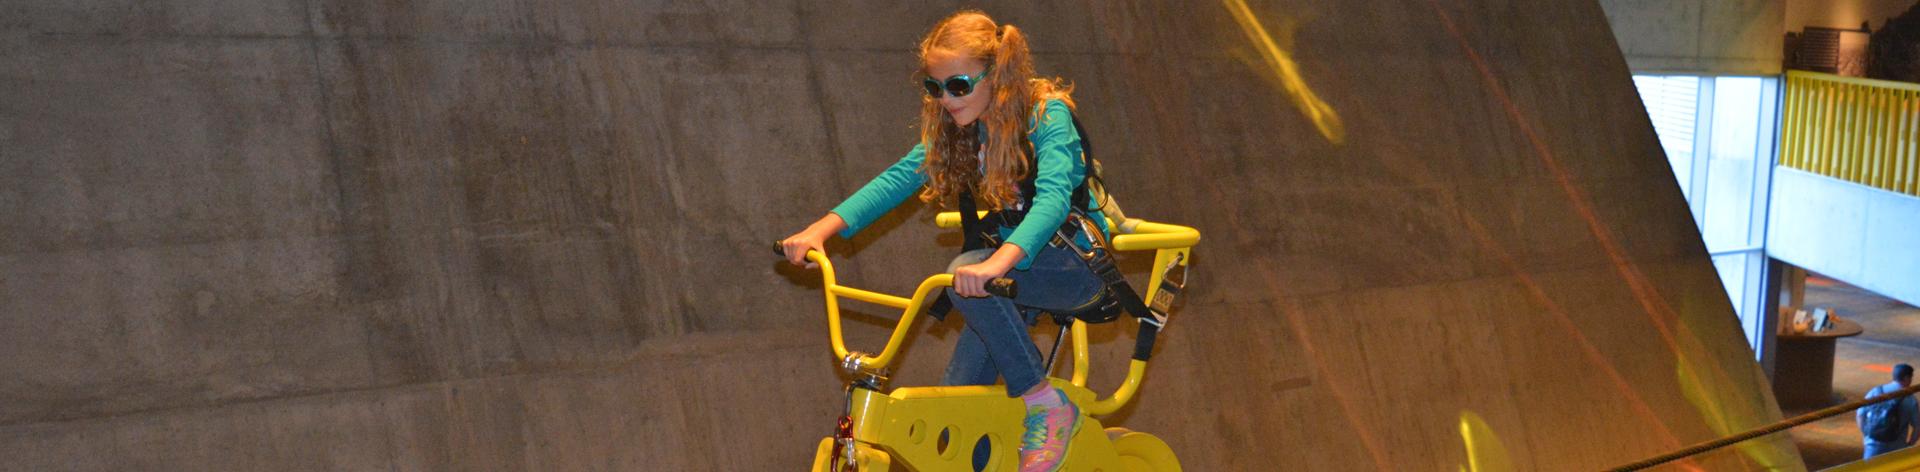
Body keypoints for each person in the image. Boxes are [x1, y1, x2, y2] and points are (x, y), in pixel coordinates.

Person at [779, 10, 1106, 472]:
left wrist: (995, 264)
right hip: (1006, 276)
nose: (946, 100)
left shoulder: (1044, 115)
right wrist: (821, 230)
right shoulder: (964, 129)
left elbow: (1052, 201)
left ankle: (1045, 403)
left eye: (958, 85)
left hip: (1075, 266)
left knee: (961, 274)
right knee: (953, 407)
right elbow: (897, 180)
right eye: (935, 88)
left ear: (999, 74)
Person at [1859, 363, 1920, 459]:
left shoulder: (1876, 392)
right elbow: (1917, 427)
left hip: (1873, 445)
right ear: (1907, 378)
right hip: (1897, 448)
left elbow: (1860, 415)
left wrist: (1867, 435)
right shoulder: (1910, 400)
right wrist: (1909, 445)